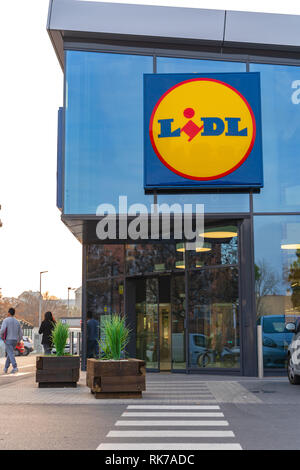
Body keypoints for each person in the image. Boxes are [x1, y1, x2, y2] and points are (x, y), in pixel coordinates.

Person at [0, 308, 23, 374]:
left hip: (8, 339)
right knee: (10, 353)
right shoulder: (17, 321)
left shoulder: (6, 320)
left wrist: (1, 337)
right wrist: (19, 340)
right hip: (15, 340)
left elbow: (2, 330)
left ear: (9, 313)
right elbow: (21, 333)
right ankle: (5, 368)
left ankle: (15, 367)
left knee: (10, 353)